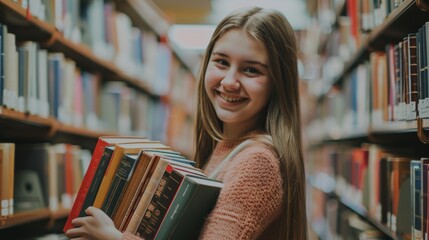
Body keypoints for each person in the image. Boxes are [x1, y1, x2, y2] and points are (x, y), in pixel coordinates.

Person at [65, 6, 307, 240]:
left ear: (278, 84)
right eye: (221, 62)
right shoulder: (228, 147)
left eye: (251, 70)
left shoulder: (256, 163)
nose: (229, 82)